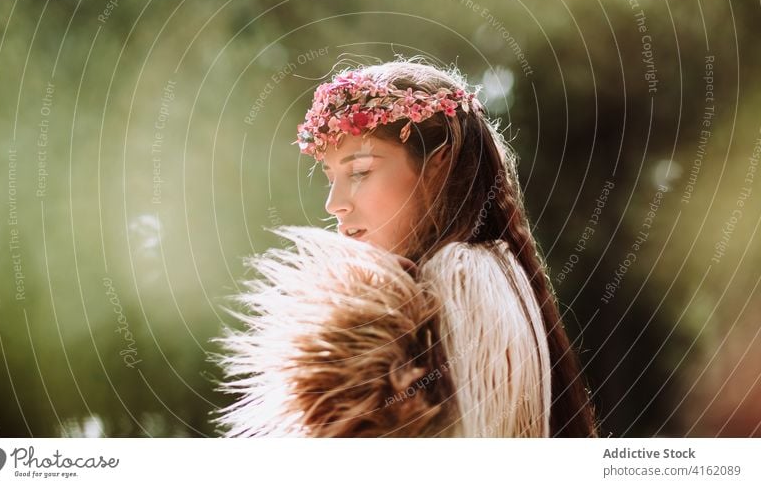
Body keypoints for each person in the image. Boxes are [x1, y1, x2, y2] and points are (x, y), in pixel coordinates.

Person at [215, 58, 599, 437]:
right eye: (330, 178)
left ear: (439, 165)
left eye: (360, 171)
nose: (333, 204)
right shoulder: (472, 278)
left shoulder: (463, 277)